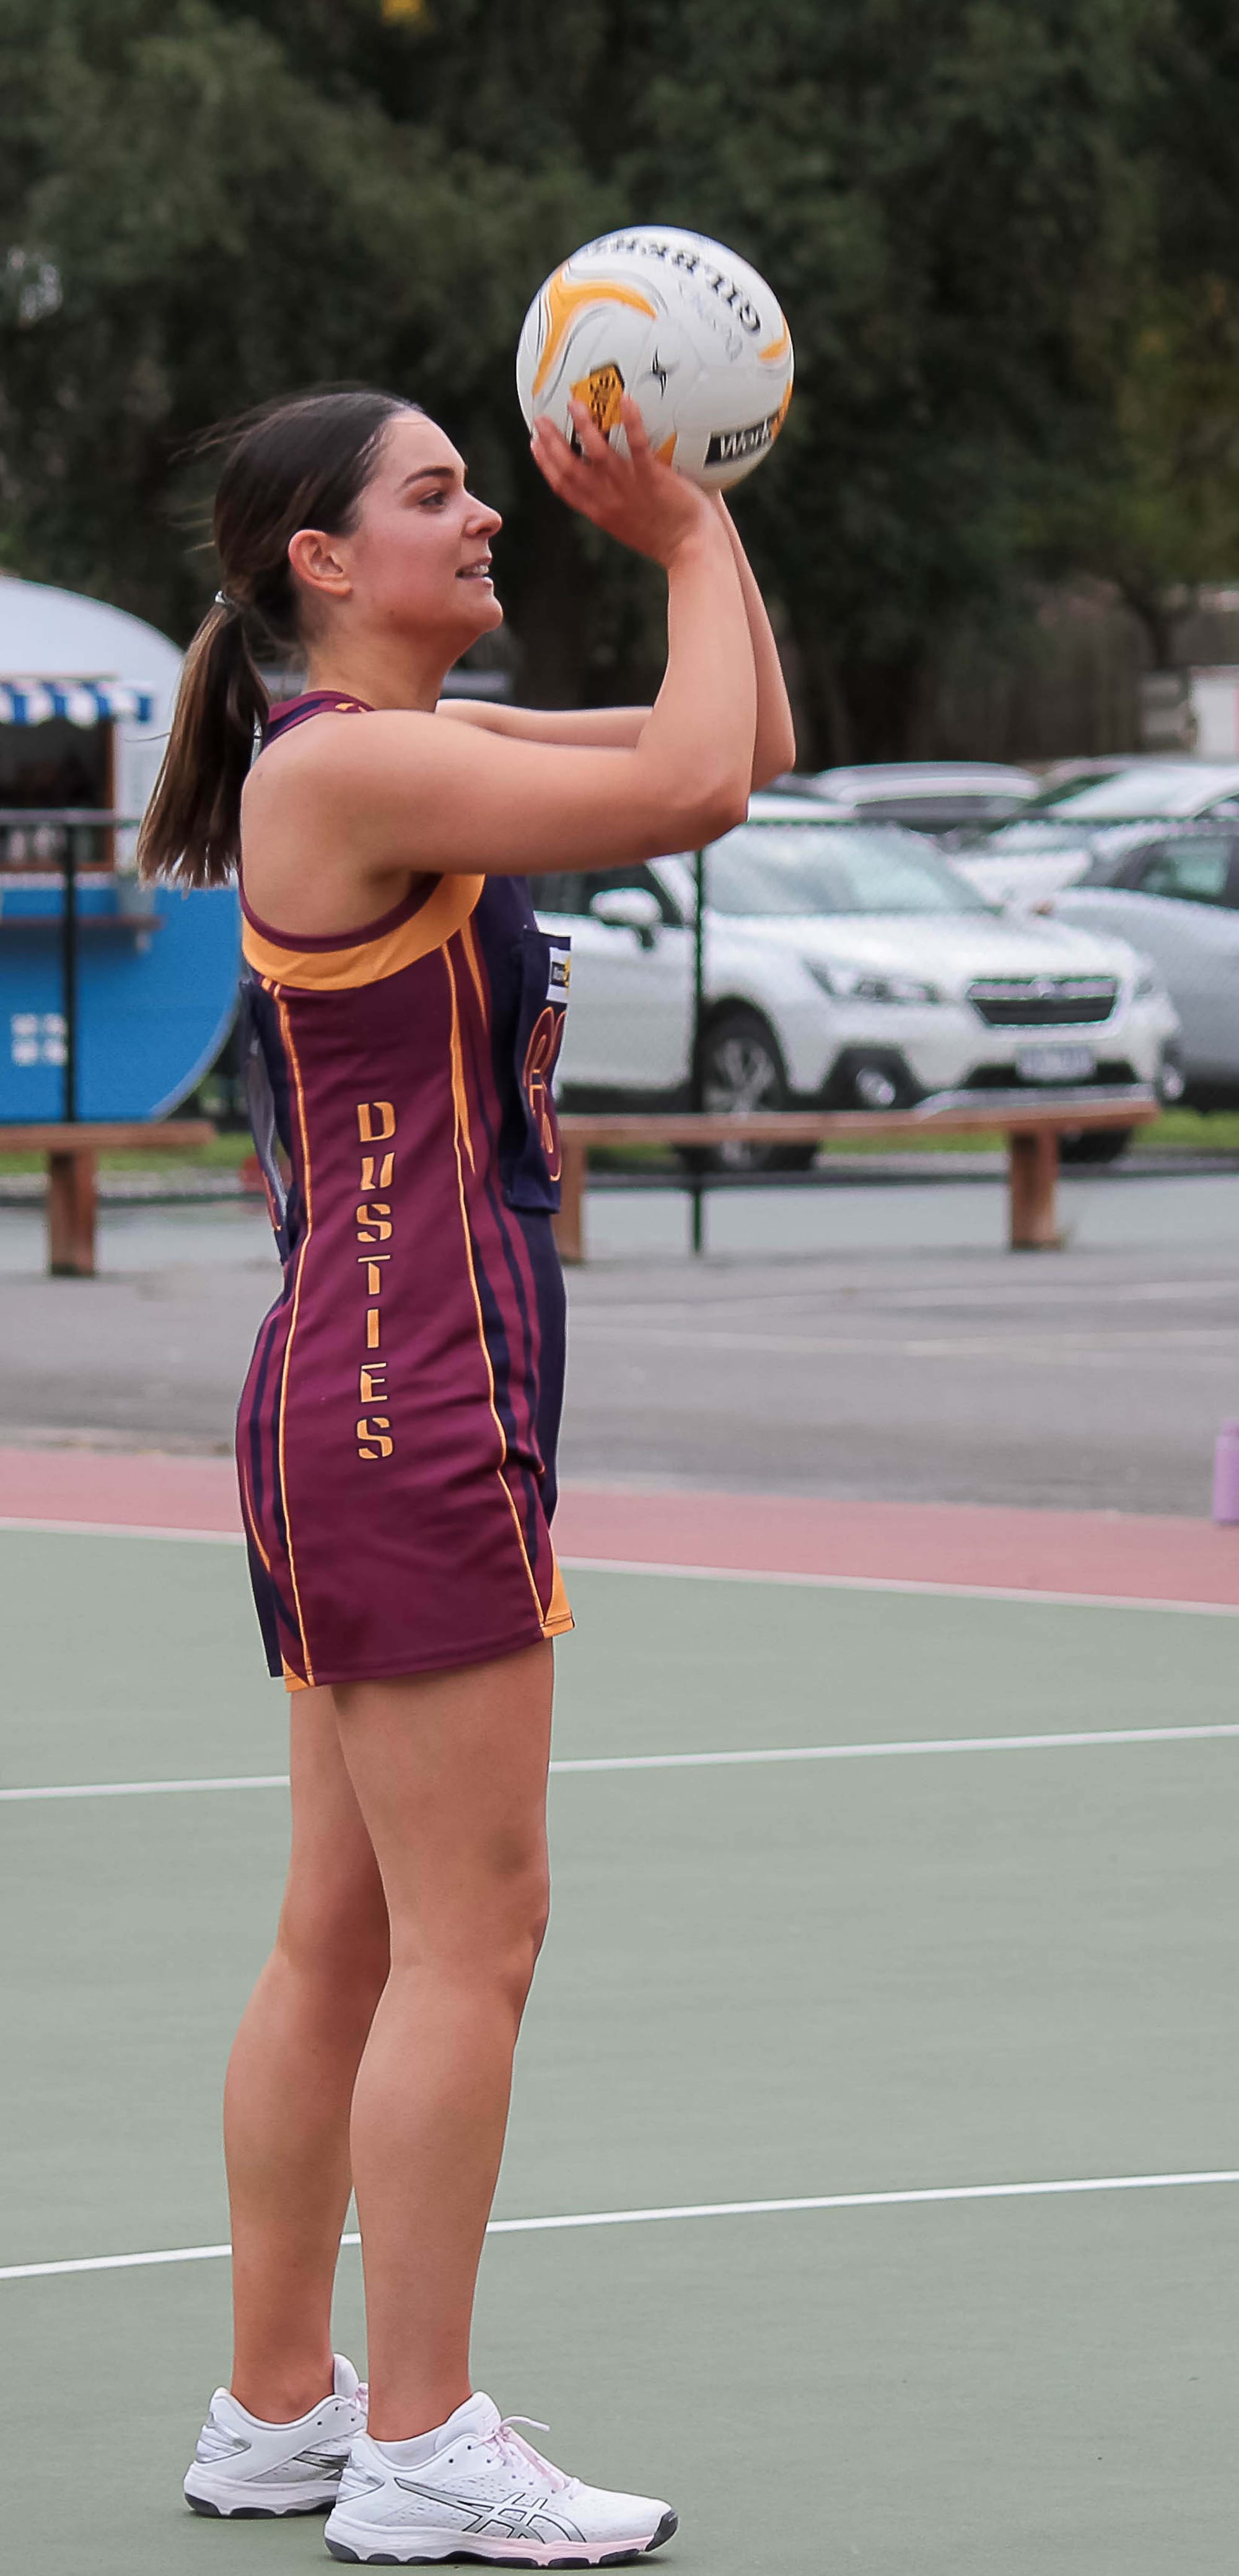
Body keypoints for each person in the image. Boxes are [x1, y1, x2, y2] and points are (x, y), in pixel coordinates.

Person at [138, 379, 794, 2564]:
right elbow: (700, 780)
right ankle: (419, 2442)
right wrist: (687, 541)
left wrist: (713, 545)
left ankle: (280, 2409)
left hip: (351, 1390)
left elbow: (739, 750)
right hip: (411, 1401)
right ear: (324, 564)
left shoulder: (382, 755)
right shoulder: (361, 765)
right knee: (474, 1937)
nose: (485, 509)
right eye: (436, 493)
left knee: (345, 1930)